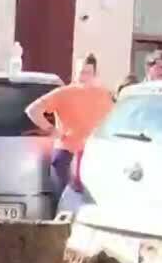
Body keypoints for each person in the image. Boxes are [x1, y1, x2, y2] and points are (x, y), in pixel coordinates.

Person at [25, 54, 114, 204]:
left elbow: (113, 121)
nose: (83, 77)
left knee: (88, 205)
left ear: (95, 74)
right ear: (75, 73)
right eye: (81, 72)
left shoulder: (104, 95)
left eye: (87, 72)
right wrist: (52, 130)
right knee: (65, 203)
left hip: (92, 156)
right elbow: (32, 110)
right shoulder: (65, 93)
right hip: (67, 155)